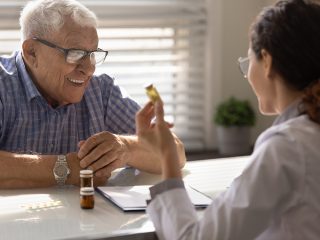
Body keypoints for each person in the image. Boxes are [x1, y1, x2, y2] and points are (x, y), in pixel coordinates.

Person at [136, 0, 320, 239]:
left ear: (267, 61)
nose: (247, 75)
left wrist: (167, 156)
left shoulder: (286, 147)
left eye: (248, 61)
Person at [0, 0, 186, 189]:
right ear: (32, 52)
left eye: (92, 53)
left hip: (85, 215)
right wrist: (68, 168)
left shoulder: (101, 91)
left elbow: (176, 153)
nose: (89, 69)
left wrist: (126, 148)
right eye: (75, 53)